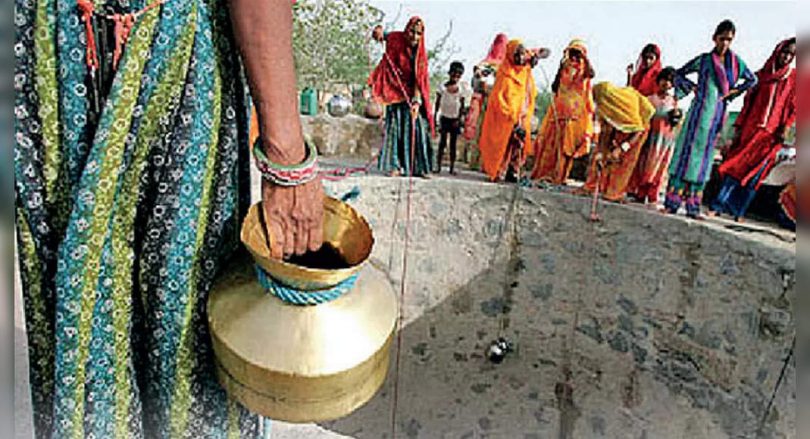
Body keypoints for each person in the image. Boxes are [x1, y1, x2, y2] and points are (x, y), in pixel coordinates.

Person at [15, 0, 323, 437]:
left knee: (84, 331)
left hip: (53, 59)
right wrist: (288, 164)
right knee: (190, 349)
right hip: (169, 53)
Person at [663, 19, 757, 218]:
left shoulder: (736, 63)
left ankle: (693, 207)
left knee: (704, 160)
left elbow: (752, 80)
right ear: (714, 38)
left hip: (716, 115)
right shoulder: (704, 60)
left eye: (729, 40)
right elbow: (679, 74)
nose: (725, 43)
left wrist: (733, 93)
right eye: (722, 39)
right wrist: (692, 87)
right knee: (685, 156)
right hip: (697, 114)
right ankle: (672, 203)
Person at [709, 38, 796, 221]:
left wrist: (785, 127)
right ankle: (717, 205)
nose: (786, 57)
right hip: (751, 130)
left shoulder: (794, 80)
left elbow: (796, 108)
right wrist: (739, 128)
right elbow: (747, 105)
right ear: (777, 52)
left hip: (772, 137)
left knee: (756, 175)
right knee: (736, 167)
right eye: (784, 52)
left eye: (791, 54)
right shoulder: (759, 77)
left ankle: (739, 212)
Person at [369, 17, 434, 178]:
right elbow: (380, 34)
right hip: (395, 91)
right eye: (412, 32)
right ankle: (394, 166)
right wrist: (377, 31)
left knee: (417, 128)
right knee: (394, 129)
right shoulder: (396, 38)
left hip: (412, 94)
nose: (414, 37)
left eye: (418, 34)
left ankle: (420, 168)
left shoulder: (420, 55)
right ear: (406, 31)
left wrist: (416, 102)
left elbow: (420, 79)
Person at [531, 39, 596, 184]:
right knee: (550, 145)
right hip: (559, 112)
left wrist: (583, 57)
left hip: (574, 115)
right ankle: (544, 173)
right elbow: (555, 86)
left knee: (566, 148)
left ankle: (559, 176)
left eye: (577, 54)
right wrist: (561, 66)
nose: (574, 57)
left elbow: (591, 73)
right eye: (572, 53)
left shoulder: (584, 70)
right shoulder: (565, 66)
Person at [580, 82, 655, 202]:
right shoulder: (606, 106)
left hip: (637, 130)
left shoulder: (627, 105)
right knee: (601, 157)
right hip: (619, 128)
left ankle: (614, 193)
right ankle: (592, 186)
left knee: (624, 161)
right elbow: (605, 132)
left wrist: (621, 148)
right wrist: (601, 152)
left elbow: (638, 131)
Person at [478, 40, 541, 182]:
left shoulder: (525, 72)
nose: (520, 58)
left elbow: (545, 52)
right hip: (505, 117)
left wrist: (533, 56)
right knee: (504, 143)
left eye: (523, 54)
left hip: (521, 116)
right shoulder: (504, 73)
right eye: (517, 54)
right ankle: (499, 170)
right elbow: (500, 99)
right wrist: (512, 118)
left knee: (519, 143)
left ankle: (513, 171)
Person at [627, 67, 682, 204]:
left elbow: (677, 122)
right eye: (664, 79)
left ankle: (653, 194)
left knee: (660, 167)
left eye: (669, 81)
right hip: (651, 138)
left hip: (665, 140)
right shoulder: (649, 99)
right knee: (645, 165)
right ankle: (640, 192)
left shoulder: (673, 101)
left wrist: (675, 116)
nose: (666, 83)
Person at [464, 33, 509, 168]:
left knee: (482, 132)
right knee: (487, 133)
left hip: (488, 103)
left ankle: (478, 162)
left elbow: (475, 84)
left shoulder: (484, 64)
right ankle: (484, 163)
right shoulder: (502, 67)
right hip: (490, 103)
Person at [434, 61, 469, 174]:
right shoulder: (442, 87)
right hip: (444, 117)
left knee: (453, 144)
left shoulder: (461, 89)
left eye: (458, 75)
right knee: (442, 143)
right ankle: (438, 166)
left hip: (455, 119)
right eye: (454, 74)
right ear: (449, 73)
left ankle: (452, 168)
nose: (456, 77)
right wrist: (435, 116)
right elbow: (437, 103)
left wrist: (460, 119)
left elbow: (462, 106)